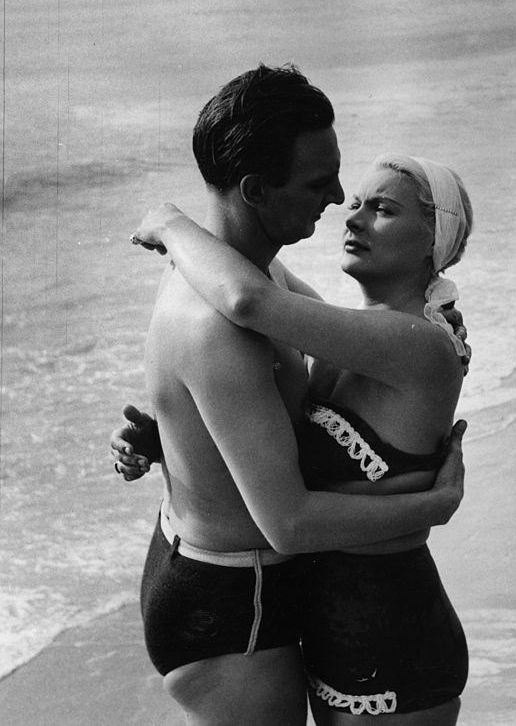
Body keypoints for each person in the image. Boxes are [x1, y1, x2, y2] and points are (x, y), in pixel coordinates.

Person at [114, 64, 467, 726]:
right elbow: (290, 522)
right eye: (318, 181)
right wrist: (435, 502)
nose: (337, 198)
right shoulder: (226, 319)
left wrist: (169, 437)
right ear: (255, 187)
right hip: (234, 600)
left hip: (209, 565)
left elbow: (323, 339)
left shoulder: (253, 271)